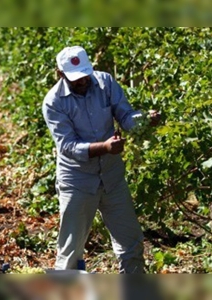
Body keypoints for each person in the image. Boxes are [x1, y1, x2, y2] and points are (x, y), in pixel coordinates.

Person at [42, 46, 161, 273]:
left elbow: (125, 115)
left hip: (111, 177)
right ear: (60, 74)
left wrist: (144, 119)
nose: (83, 81)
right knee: (70, 250)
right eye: (76, 78)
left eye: (86, 74)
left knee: (131, 243)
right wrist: (105, 147)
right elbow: (67, 146)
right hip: (77, 181)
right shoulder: (54, 102)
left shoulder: (105, 83)